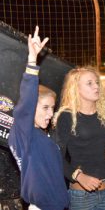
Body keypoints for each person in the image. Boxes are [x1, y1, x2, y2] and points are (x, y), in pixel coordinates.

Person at [53, 67, 105, 210]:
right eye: (89, 83)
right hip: (81, 194)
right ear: (75, 88)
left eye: (96, 82)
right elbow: (57, 156)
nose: (96, 86)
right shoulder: (66, 116)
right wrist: (78, 176)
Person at [8, 26, 69, 210]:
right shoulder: (23, 133)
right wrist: (32, 61)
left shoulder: (39, 135)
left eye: (52, 108)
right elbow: (26, 103)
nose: (51, 114)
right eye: (45, 107)